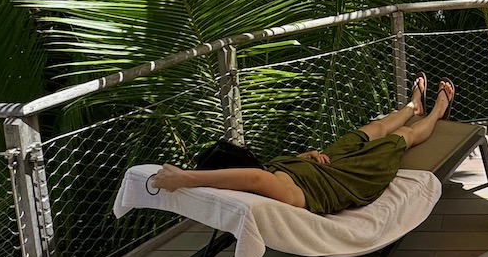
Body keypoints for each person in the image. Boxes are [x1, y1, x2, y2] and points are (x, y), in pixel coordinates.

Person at [147, 76, 455, 215]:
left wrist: (303, 158)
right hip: (349, 178)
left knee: (370, 129)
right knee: (401, 136)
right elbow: (255, 177)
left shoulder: (266, 176)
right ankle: (439, 109)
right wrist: (186, 178)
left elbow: (261, 173)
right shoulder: (271, 192)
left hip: (324, 163)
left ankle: (413, 106)